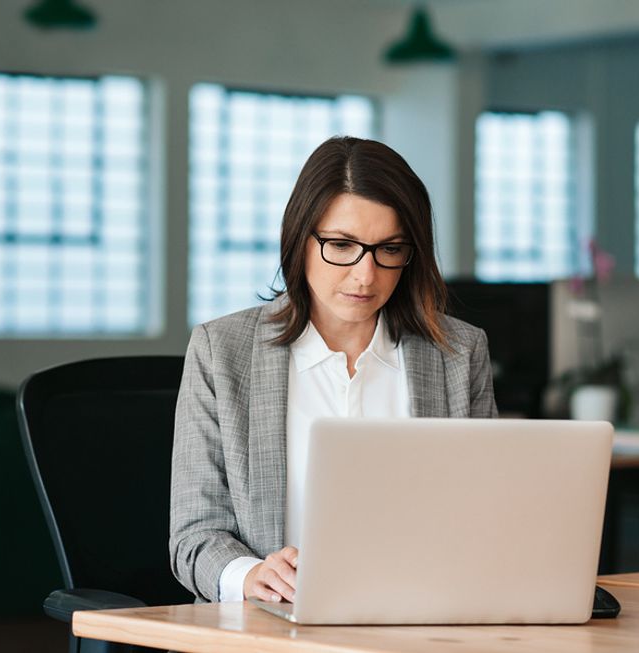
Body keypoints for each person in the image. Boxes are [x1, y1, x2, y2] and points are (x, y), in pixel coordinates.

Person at [169, 136, 497, 605]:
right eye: (341, 245)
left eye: (390, 249)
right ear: (300, 239)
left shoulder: (459, 352)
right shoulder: (221, 352)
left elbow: (484, 517)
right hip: (270, 627)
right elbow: (194, 535)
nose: (365, 274)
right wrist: (251, 575)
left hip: (416, 618)